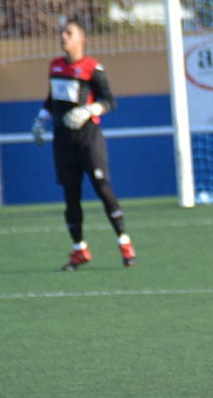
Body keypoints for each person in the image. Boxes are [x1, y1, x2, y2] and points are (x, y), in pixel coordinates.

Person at [31, 17, 136, 271]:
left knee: (102, 187)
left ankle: (124, 244)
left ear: (82, 39)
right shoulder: (55, 67)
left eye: (69, 33)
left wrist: (89, 110)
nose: (63, 37)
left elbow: (110, 101)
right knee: (71, 196)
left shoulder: (92, 68)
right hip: (63, 141)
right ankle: (79, 250)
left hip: (88, 139)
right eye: (61, 33)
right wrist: (41, 120)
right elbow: (51, 100)